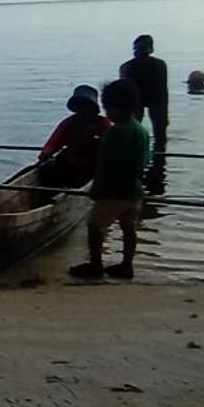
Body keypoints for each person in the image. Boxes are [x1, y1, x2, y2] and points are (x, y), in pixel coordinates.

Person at [71, 77, 150, 282]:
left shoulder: (115, 133)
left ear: (116, 107)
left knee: (94, 225)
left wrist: (96, 188)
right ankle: (127, 265)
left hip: (114, 192)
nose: (107, 113)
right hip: (134, 189)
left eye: (108, 108)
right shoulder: (141, 130)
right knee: (128, 226)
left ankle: (95, 265)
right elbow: (145, 161)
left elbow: (104, 165)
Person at [38, 83, 108, 189]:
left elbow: (111, 149)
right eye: (79, 106)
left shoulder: (103, 124)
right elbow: (54, 142)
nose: (83, 110)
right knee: (48, 170)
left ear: (92, 108)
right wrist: (45, 154)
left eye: (86, 106)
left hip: (93, 166)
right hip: (71, 164)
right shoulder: (69, 123)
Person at [119, 34, 170, 157]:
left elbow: (163, 89)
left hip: (156, 99)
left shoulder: (159, 65)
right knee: (131, 132)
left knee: (160, 132)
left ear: (150, 50)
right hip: (135, 100)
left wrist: (164, 111)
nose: (138, 53)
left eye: (142, 49)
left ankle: (159, 155)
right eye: (136, 50)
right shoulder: (127, 67)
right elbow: (125, 92)